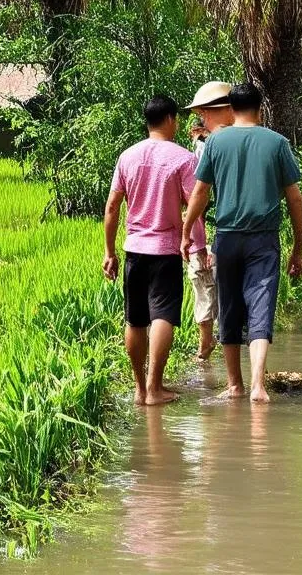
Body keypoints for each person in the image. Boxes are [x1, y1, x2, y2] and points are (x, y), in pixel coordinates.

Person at [182, 83, 302, 403]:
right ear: (260, 108)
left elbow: (200, 193)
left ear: (231, 109)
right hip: (264, 240)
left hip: (227, 238)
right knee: (261, 307)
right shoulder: (277, 143)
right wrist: (298, 249)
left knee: (231, 309)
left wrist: (185, 232)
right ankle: (258, 386)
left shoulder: (215, 142)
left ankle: (235, 385)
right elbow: (295, 198)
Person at [104, 96, 210, 406]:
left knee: (135, 319)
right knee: (163, 314)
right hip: (165, 251)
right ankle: (155, 387)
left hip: (134, 250)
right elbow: (195, 206)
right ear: (170, 119)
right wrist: (197, 245)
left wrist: (109, 252)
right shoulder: (182, 159)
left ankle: (139, 389)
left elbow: (112, 206)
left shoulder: (127, 156)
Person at [184, 80, 236, 359]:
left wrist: (193, 239)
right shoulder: (202, 151)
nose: (202, 120)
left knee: (206, 286)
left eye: (205, 113)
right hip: (218, 237)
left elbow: (199, 195)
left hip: (214, 237)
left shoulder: (207, 151)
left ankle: (208, 349)